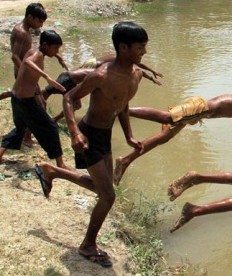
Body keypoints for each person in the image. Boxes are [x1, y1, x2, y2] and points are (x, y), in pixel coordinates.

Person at [34, 21, 149, 267]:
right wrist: (75, 132)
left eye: (145, 47)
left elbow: (123, 105)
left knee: (104, 189)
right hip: (89, 135)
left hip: (105, 134)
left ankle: (52, 171)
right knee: (108, 196)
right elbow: (68, 97)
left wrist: (128, 136)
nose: (144, 53)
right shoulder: (101, 76)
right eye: (140, 48)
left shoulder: (136, 74)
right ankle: (87, 245)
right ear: (123, 47)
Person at [114, 94, 232, 184]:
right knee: (166, 118)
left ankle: (125, 160)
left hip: (197, 114)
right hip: (199, 108)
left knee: (164, 137)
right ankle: (123, 109)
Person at [0, 30, 67, 167]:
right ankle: (60, 164)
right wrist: (47, 77)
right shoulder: (37, 55)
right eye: (55, 48)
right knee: (51, 128)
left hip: (16, 98)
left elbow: (32, 57)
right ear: (45, 45)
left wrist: (58, 57)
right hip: (26, 102)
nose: (56, 51)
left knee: (21, 128)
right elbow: (28, 62)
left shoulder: (34, 50)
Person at [7, 2, 68, 146]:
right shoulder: (22, 32)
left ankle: (25, 135)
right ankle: (27, 137)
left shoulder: (24, 30)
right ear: (30, 17)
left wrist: (57, 55)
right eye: (39, 21)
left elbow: (32, 49)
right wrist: (25, 72)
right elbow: (15, 56)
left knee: (33, 104)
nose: (41, 25)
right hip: (25, 75)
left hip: (26, 75)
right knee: (38, 105)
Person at [41, 54, 163, 122]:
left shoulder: (118, 61)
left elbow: (140, 69)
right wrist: (153, 74)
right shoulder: (104, 70)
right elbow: (140, 67)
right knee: (48, 93)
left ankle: (52, 119)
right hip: (75, 75)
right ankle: (43, 115)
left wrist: (153, 76)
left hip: (78, 72)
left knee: (74, 102)